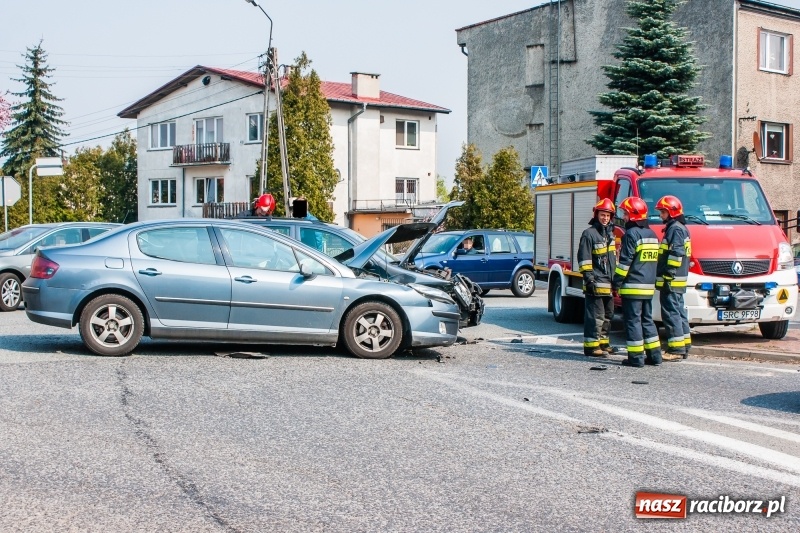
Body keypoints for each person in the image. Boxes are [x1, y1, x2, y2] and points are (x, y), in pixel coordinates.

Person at [613, 197, 662, 367]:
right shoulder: (652, 235)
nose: (624, 217)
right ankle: (655, 356)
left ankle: (636, 358)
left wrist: (616, 283)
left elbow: (624, 263)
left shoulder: (631, 235)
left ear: (633, 215)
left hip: (633, 286)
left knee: (633, 321)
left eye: (626, 214)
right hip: (648, 287)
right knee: (647, 320)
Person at [578, 198, 616, 357]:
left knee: (608, 316)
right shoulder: (589, 234)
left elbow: (613, 260)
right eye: (602, 215)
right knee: (595, 316)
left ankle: (603, 343)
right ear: (596, 215)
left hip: (608, 283)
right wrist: (589, 279)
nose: (605, 218)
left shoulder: (610, 235)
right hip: (595, 283)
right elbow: (584, 259)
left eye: (608, 215)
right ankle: (591, 346)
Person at [655, 195, 692, 361]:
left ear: (671, 212)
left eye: (663, 212)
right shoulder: (680, 228)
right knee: (679, 312)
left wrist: (668, 275)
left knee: (671, 314)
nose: (661, 215)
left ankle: (675, 349)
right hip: (679, 279)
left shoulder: (675, 229)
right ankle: (684, 346)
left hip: (672, 279)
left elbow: (676, 254)